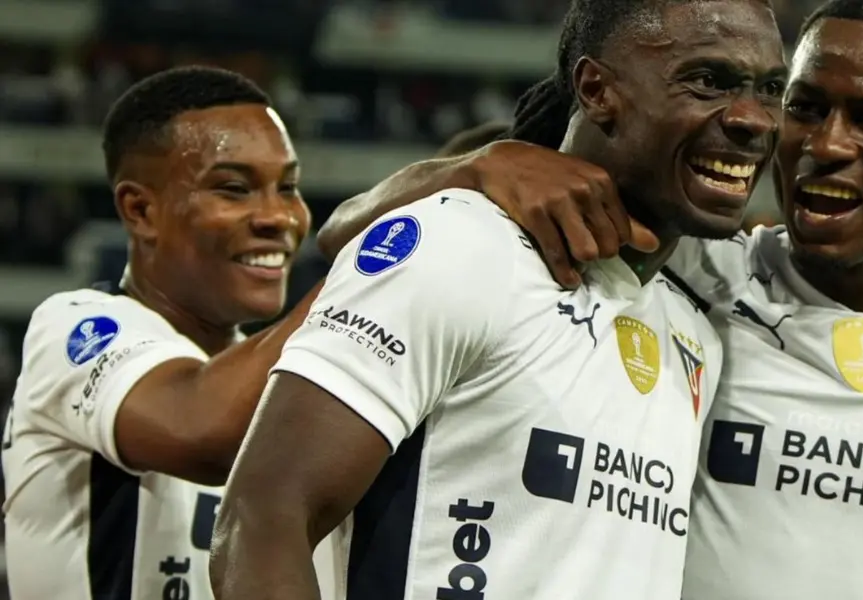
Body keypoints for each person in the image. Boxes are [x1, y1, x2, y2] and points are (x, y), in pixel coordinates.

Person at [312, 0, 863, 598]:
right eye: (805, 108)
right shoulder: (697, 279)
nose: (824, 144)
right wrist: (472, 166)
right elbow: (349, 231)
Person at [208, 0, 787, 598]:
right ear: (597, 89)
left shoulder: (695, 321)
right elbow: (262, 518)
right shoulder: (462, 245)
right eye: (708, 81)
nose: (755, 119)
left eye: (771, 90)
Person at [2, 66, 337, 600]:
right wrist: (367, 279)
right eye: (235, 188)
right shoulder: (75, 326)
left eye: (288, 187)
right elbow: (200, 430)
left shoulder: (261, 371)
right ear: (141, 210)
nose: (279, 216)